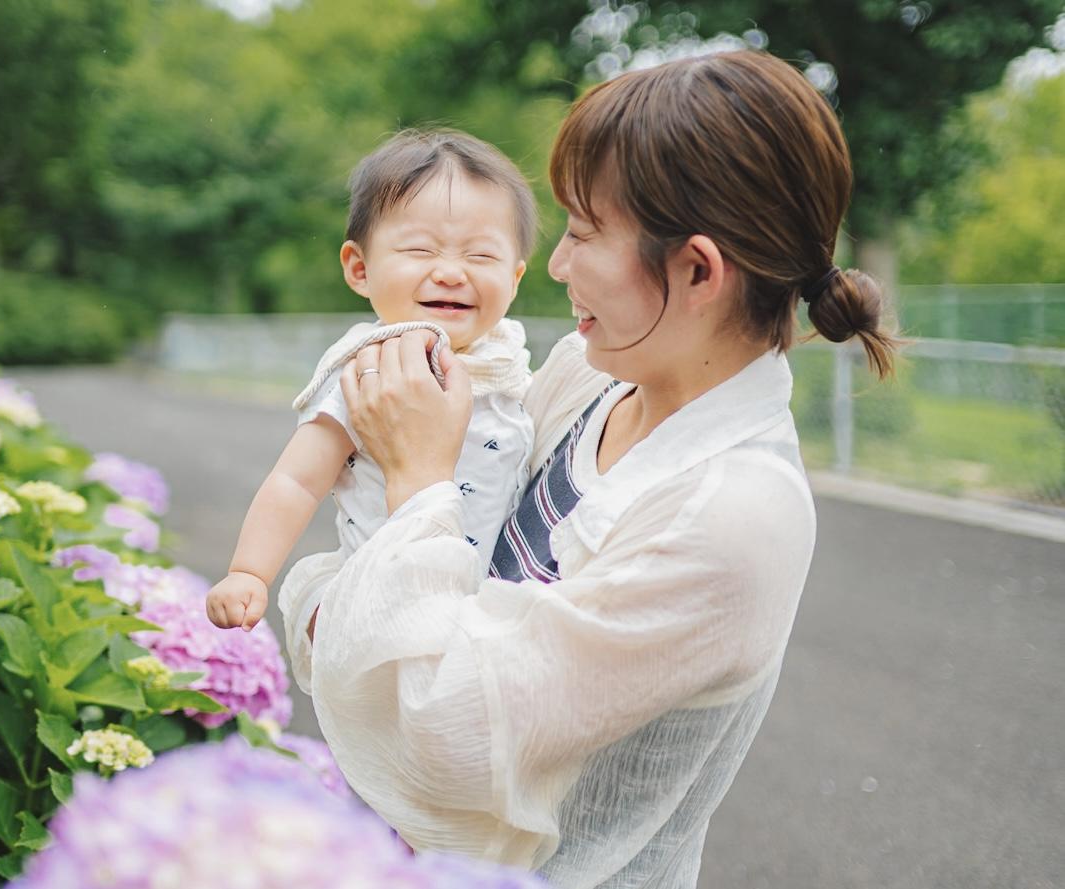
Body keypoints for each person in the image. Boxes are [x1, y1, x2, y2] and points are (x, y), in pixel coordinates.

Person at [279, 51, 899, 887]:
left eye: (581, 232)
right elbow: (417, 601)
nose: (559, 265)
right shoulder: (592, 376)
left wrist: (412, 486)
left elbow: (442, 737)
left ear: (697, 269)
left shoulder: (728, 516)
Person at [206, 129, 537, 632]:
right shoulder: (367, 371)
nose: (451, 272)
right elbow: (295, 481)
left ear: (514, 279)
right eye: (421, 250)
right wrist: (249, 572)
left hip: (488, 614)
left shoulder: (513, 369)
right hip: (387, 606)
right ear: (360, 269)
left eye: (480, 256)